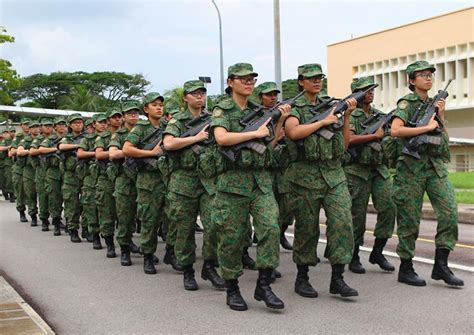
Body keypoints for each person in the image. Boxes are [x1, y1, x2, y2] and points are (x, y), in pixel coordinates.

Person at [211, 63, 289, 311]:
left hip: (260, 181)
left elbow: (269, 143)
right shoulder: (222, 109)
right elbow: (222, 138)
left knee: (270, 228)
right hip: (232, 183)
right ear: (230, 81)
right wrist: (252, 134)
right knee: (232, 238)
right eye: (243, 79)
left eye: (252, 78)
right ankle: (232, 288)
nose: (249, 82)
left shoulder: (258, 110)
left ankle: (263, 285)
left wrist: (280, 121)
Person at [284, 63, 359, 298]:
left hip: (334, 174)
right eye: (311, 78)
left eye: (320, 78)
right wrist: (321, 122)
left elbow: (345, 143)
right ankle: (302, 276)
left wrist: (345, 117)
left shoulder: (331, 105)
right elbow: (293, 133)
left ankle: (338, 277)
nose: (317, 81)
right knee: (307, 228)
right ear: (301, 81)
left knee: (343, 223)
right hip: (305, 176)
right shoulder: (294, 108)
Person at [390, 60, 463, 287]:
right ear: (412, 81)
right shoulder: (407, 103)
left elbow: (444, 137)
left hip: (435, 167)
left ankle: (441, 265)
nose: (428, 78)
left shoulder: (434, 104)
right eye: (422, 75)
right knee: (409, 219)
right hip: (411, 168)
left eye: (430, 74)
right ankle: (406, 267)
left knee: (450, 213)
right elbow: (395, 130)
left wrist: (441, 115)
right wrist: (425, 128)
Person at [163, 80, 225, 291]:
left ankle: (209, 265)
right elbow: (169, 144)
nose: (199, 96)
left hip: (208, 181)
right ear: (185, 98)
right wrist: (196, 138)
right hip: (183, 182)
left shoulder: (212, 119)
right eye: (194, 93)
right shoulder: (178, 121)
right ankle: (188, 270)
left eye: (202, 93)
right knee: (184, 229)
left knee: (215, 224)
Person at [344, 77, 396, 274]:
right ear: (355, 94)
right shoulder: (351, 115)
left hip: (378, 168)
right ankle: (354, 254)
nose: (370, 92)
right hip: (356, 170)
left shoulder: (379, 115)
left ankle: (378, 251)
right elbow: (348, 139)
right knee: (357, 214)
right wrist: (373, 136)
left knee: (389, 207)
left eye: (372, 89)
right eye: (365, 89)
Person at [123, 92, 168, 274]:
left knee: (173, 218)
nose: (159, 107)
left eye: (161, 105)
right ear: (146, 109)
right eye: (154, 104)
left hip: (166, 178)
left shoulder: (168, 126)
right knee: (150, 220)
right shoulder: (140, 128)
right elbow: (127, 149)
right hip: (148, 181)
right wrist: (150, 153)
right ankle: (148, 256)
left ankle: (172, 252)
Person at [256, 81, 294, 251]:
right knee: (267, 208)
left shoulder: (283, 113)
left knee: (286, 207)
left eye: (275, 95)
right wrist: (277, 136)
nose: (273, 98)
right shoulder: (256, 116)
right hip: (264, 167)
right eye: (268, 95)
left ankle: (281, 233)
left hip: (282, 166)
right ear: (260, 97)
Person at [108, 101, 140, 265]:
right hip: (125, 180)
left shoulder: (144, 130)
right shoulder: (119, 135)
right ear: (124, 117)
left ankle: (133, 242)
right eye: (130, 113)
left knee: (141, 216)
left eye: (136, 113)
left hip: (142, 179)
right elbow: (112, 154)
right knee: (125, 216)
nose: (133, 115)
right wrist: (133, 152)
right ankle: (124, 250)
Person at [94, 109, 122, 258]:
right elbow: (99, 154)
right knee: (107, 212)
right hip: (106, 179)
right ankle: (110, 244)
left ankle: (126, 243)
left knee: (124, 214)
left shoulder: (128, 135)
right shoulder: (103, 138)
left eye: (119, 117)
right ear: (109, 120)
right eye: (114, 118)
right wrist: (117, 151)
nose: (117, 120)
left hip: (124, 177)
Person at [77, 113, 108, 250]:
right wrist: (96, 153)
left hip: (107, 176)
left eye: (105, 122)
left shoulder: (110, 137)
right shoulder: (88, 139)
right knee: (91, 207)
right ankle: (95, 234)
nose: (103, 124)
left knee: (106, 208)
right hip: (90, 177)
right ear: (94, 124)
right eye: (100, 122)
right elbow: (80, 153)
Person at [38, 117, 68, 236]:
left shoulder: (69, 138)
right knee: (54, 197)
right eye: (59, 125)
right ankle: (54, 221)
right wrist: (56, 149)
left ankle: (66, 221)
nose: (61, 127)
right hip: (53, 171)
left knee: (67, 197)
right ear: (55, 127)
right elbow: (41, 149)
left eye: (63, 125)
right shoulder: (51, 138)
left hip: (66, 171)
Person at [58, 113, 85, 242]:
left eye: (80, 122)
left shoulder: (87, 137)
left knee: (87, 203)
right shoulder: (67, 138)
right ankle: (73, 230)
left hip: (85, 174)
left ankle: (87, 229)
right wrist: (78, 146)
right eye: (75, 123)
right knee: (72, 204)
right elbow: (61, 147)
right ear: (70, 125)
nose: (78, 125)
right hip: (71, 175)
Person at [29, 118, 54, 231]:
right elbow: (32, 151)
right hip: (41, 171)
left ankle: (56, 218)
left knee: (55, 197)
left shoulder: (56, 137)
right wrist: (50, 150)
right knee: (43, 196)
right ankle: (43, 219)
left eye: (50, 125)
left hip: (54, 171)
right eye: (46, 125)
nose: (48, 127)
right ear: (42, 127)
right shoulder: (38, 139)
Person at [17, 120, 42, 226]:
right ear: (30, 129)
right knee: (30, 193)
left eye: (38, 127)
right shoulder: (26, 140)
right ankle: (33, 215)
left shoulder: (44, 139)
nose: (36, 129)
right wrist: (32, 151)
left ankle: (48, 216)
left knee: (45, 194)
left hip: (42, 169)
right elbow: (19, 151)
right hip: (29, 170)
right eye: (33, 127)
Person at [10, 118, 30, 222]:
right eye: (25, 124)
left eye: (28, 125)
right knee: (20, 190)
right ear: (21, 125)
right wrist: (23, 150)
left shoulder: (35, 136)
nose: (27, 126)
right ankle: (22, 211)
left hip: (32, 167)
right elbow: (12, 152)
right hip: (19, 167)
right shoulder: (19, 136)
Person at [0, 129, 14, 201]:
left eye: (7, 133)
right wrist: (9, 147)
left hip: (8, 163)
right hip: (2, 163)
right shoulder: (3, 141)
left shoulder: (12, 140)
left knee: (9, 179)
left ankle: (12, 194)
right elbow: (1, 148)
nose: (6, 134)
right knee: (2, 180)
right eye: (4, 133)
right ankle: (5, 194)